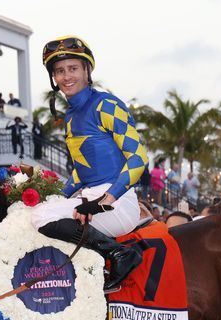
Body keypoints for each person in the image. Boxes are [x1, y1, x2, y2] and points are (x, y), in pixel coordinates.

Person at [30, 37, 148, 291]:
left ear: (87, 70)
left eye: (73, 68)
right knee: (37, 209)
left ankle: (119, 254)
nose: (66, 76)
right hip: (89, 199)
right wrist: (53, 195)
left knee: (40, 216)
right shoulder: (71, 116)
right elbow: (80, 172)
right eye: (59, 71)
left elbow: (138, 159)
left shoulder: (107, 104)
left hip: (117, 202)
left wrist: (104, 201)